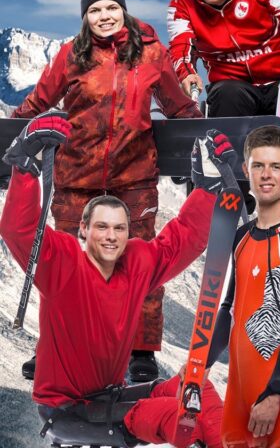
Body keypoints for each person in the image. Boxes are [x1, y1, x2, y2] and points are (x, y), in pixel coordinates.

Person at [13, 0, 204, 382]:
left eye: (111, 7)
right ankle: (54, 344)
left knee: (141, 261)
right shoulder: (71, 54)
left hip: (133, 177)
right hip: (76, 178)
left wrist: (205, 133)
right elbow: (37, 102)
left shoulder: (151, 53)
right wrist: (10, 136)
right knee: (64, 266)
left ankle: (141, 350)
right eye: (95, 10)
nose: (104, 16)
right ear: (85, 17)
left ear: (123, 10)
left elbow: (178, 106)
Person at [0, 112, 229, 447]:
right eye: (102, 227)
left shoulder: (136, 263)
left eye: (119, 228)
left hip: (109, 397)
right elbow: (19, 231)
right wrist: (24, 167)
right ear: (83, 229)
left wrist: (207, 190)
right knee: (176, 417)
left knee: (196, 389)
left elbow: (180, 242)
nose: (111, 236)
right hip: (64, 410)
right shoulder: (62, 263)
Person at [206, 125, 280, 447]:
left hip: (278, 393)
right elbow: (230, 308)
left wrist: (274, 392)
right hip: (238, 393)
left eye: (276, 166)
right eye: (258, 165)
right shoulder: (242, 236)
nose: (266, 175)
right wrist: (202, 364)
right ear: (246, 170)